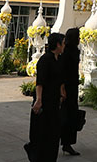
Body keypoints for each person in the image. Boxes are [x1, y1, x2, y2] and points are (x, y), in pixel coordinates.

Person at [25, 32, 66, 162]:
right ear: (58, 44)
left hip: (54, 100)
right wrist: (39, 100)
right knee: (42, 132)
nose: (64, 45)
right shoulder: (45, 60)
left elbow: (59, 79)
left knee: (54, 132)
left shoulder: (58, 59)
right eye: (63, 43)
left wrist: (61, 91)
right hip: (45, 99)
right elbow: (40, 82)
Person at [60, 28, 81, 156]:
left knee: (71, 115)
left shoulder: (74, 51)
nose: (79, 39)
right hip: (67, 87)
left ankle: (68, 143)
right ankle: (64, 141)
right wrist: (62, 89)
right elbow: (62, 72)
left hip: (73, 86)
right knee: (65, 116)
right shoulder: (66, 52)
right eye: (78, 37)